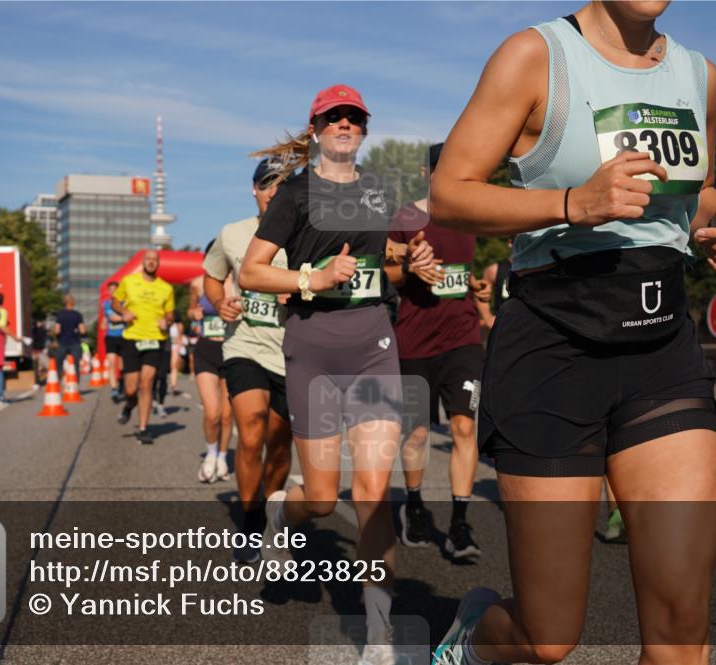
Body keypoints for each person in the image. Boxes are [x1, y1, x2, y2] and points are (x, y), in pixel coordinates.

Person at [428, 3, 716, 664]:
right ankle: (476, 637)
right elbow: (450, 193)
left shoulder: (701, 76)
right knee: (548, 637)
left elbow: (699, 192)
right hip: (553, 347)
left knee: (681, 630)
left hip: (663, 349)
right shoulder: (534, 56)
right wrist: (572, 202)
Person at [239, 84, 434, 663]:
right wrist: (312, 281)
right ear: (318, 128)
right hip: (314, 350)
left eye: (355, 117)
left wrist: (415, 262)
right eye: (334, 117)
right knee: (322, 500)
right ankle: (283, 511)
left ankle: (379, 634)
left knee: (374, 491)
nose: (345, 124)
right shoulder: (295, 194)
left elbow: (397, 259)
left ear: (365, 129)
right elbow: (252, 272)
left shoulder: (383, 188)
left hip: (374, 344)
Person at [385, 142, 493, 561]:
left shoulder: (470, 215)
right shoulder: (405, 218)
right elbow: (389, 274)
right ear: (426, 171)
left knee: (465, 427)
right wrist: (409, 265)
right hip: (413, 341)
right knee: (415, 433)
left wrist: (475, 288)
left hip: (463, 338)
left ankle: (460, 525)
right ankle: (413, 504)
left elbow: (457, 272)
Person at [203, 157, 295, 564]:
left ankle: (274, 519)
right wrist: (220, 301)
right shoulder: (232, 234)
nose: (273, 191)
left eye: (281, 184)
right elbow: (211, 274)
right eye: (266, 184)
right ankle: (251, 522)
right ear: (254, 191)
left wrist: (299, 291)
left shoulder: (304, 236)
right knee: (252, 430)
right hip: (244, 346)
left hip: (292, 351)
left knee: (278, 445)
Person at [113, 249, 176, 445]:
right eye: (148, 259)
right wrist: (124, 312)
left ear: (158, 263)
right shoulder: (129, 281)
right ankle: (129, 405)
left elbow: (171, 314)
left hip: (155, 339)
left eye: (154, 260)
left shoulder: (166, 288)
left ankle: (143, 428)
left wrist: (167, 321)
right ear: (142, 262)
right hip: (132, 337)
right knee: (131, 389)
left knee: (147, 383)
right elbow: (115, 301)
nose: (151, 262)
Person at [188, 256, 234, 484]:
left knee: (227, 415)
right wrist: (194, 313)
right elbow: (190, 311)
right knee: (212, 412)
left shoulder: (237, 282)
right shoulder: (197, 283)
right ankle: (211, 454)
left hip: (232, 350)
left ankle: (223, 457)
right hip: (206, 349)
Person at [475, 239, 513, 331]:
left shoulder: (538, 269)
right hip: (504, 329)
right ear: (510, 243)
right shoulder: (494, 270)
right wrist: (488, 319)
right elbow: (480, 294)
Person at [54, 294, 86, 381]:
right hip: (75, 342)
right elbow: (82, 330)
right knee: (76, 364)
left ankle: (59, 380)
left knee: (58, 362)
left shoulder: (60, 315)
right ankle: (75, 383)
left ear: (65, 302)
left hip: (62, 342)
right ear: (73, 302)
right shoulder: (77, 315)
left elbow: (57, 330)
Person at [103, 282, 125, 401]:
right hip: (111, 337)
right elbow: (112, 318)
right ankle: (114, 388)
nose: (112, 292)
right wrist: (125, 317)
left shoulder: (125, 303)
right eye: (110, 289)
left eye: (114, 289)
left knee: (122, 365)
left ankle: (121, 382)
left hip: (124, 336)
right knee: (111, 363)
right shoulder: (106, 304)